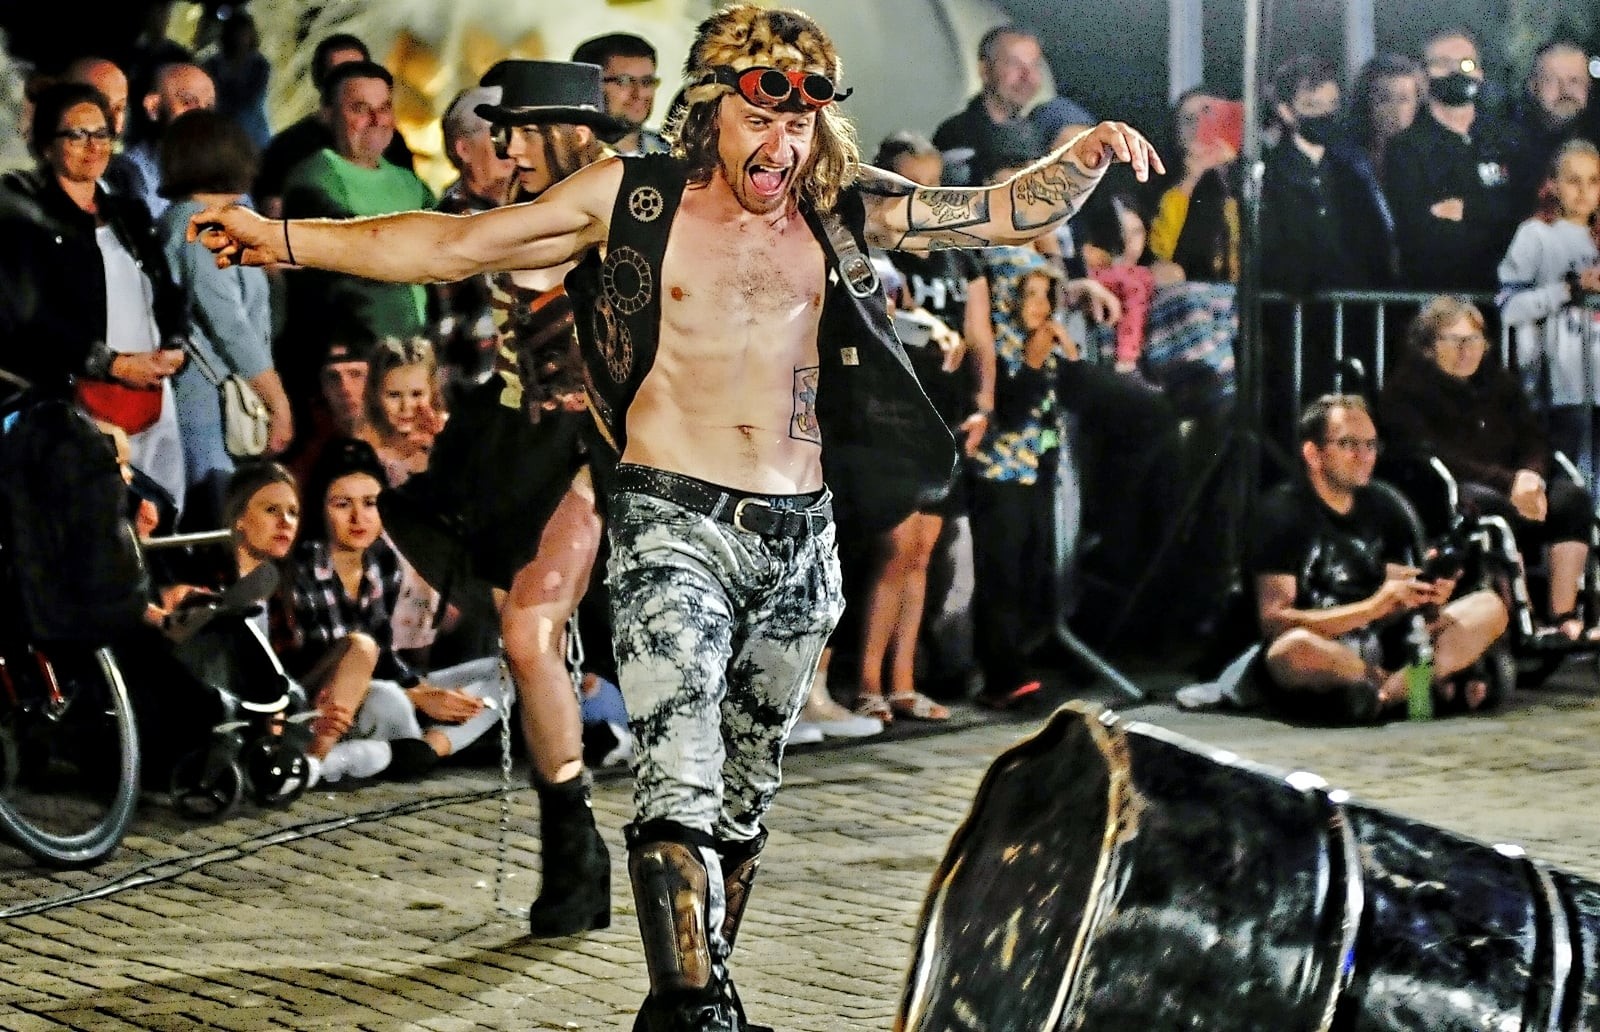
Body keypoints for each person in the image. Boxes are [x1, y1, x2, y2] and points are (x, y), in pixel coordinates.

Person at [188, 6, 1158, 1026]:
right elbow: (452, 243)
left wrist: (1082, 157)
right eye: (760, 119)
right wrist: (281, 238)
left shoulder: (835, 204)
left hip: (799, 540)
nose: (781, 146)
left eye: (800, 123)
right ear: (711, 109)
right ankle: (690, 1008)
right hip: (670, 524)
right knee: (678, 786)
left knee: (742, 801)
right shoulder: (635, 197)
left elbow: (998, 212)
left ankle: (698, 996)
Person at [1252, 394, 1509, 723]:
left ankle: (1383, 696)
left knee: (1488, 606)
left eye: (1371, 445)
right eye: (1348, 444)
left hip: (1387, 642)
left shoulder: (1387, 504)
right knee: (1292, 649)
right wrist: (1372, 607)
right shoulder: (1281, 513)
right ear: (1313, 454)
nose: (1364, 456)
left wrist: (1428, 596)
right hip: (1328, 647)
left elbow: (1408, 603)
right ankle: (1412, 688)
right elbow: (1275, 621)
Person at [0, 82, 188, 509]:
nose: (93, 146)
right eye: (77, 134)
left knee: (160, 513)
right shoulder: (23, 219)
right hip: (73, 405)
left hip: (151, 399)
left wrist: (176, 344)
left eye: (102, 133)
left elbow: (167, 292)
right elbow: (25, 319)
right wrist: (112, 364)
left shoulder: (129, 213)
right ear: (47, 146)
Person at [1380, 296, 1599, 645]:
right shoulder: (1406, 392)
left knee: (1571, 499)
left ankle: (1564, 616)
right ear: (1428, 347)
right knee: (1490, 506)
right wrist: (1509, 483)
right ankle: (1521, 620)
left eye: (1474, 340)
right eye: (1454, 341)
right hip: (1448, 490)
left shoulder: (1500, 384)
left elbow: (1533, 438)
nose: (1466, 350)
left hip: (1514, 485)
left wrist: (1530, 477)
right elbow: (1432, 455)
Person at [156, 109, 293, 529]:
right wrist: (277, 399)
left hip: (218, 399)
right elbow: (228, 324)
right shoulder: (201, 228)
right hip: (208, 402)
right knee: (219, 520)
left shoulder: (198, 222)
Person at [277, 60, 434, 407]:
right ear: (328, 115)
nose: (377, 120)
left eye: (384, 108)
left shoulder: (409, 183)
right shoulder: (315, 181)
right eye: (360, 109)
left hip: (413, 358)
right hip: (358, 367)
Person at [1384, 29, 1524, 292]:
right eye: (1442, 64)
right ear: (1422, 76)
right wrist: (1492, 216)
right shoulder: (1406, 149)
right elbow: (1419, 231)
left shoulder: (1508, 140)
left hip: (1502, 295)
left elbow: (1521, 216)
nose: (1455, 72)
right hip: (1438, 296)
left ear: (1480, 73)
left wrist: (1468, 210)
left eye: (1466, 64)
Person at [1499, 138, 1600, 483]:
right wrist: (1569, 289)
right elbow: (1509, 306)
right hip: (1557, 387)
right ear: (1553, 184)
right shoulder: (1535, 234)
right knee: (1566, 481)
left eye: (1593, 181)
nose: (1584, 191)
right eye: (1573, 180)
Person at [1260, 54, 1395, 293]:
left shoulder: (1353, 168)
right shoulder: (1271, 172)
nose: (1325, 114)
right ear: (1286, 111)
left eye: (1332, 104)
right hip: (1298, 304)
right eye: (1312, 106)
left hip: (1355, 302)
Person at [254, 34, 416, 218]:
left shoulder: (393, 144)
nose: (352, 79)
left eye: (359, 70)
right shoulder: (288, 149)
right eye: (340, 74)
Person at [932, 25, 1081, 186]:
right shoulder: (955, 135)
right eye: (1014, 64)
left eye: (1034, 65)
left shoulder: (1041, 133)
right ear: (985, 70)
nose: (1027, 77)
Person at [1147, 86, 1240, 282]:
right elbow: (1159, 255)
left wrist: (1227, 171)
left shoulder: (1245, 174)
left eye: (1209, 117)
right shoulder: (1156, 179)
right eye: (1189, 119)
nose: (1199, 126)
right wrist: (1189, 179)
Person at [123, 61, 216, 219]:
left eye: (208, 108)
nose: (200, 116)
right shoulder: (130, 173)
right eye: (188, 103)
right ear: (153, 107)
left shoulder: (223, 171)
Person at [1509, 40, 1597, 207]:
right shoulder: (1508, 144)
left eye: (1575, 80)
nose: (1565, 90)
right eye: (1552, 80)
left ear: (1588, 85)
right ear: (1533, 86)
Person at [571, 32, 672, 157]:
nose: (639, 93)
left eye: (646, 81)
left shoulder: (673, 154)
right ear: (589, 86)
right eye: (624, 81)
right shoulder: (564, 156)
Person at [1348, 54, 1423, 184]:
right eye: (1384, 99)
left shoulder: (1431, 160)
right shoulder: (1348, 159)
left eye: (1403, 99)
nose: (1394, 110)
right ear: (1367, 102)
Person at [203, 10, 273, 149]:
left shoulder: (259, 65)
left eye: (244, 33)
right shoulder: (213, 65)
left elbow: (252, 98)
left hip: (254, 135)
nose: (240, 38)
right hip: (222, 134)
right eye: (237, 32)